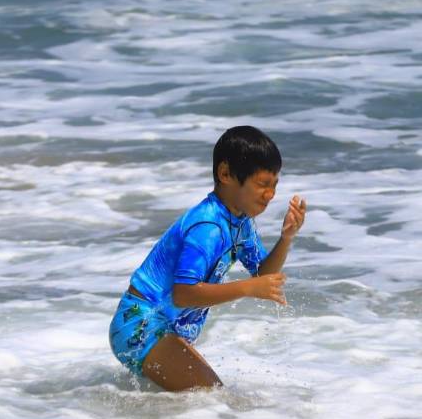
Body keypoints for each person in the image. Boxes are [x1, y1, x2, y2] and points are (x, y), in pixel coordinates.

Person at [109, 126, 308, 391]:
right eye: (262, 184)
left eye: (274, 185)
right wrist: (247, 289)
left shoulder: (241, 223)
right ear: (225, 174)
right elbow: (183, 294)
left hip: (160, 328)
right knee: (214, 400)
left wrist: (286, 238)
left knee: (202, 406)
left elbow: (262, 276)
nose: (270, 195)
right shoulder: (208, 227)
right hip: (140, 324)